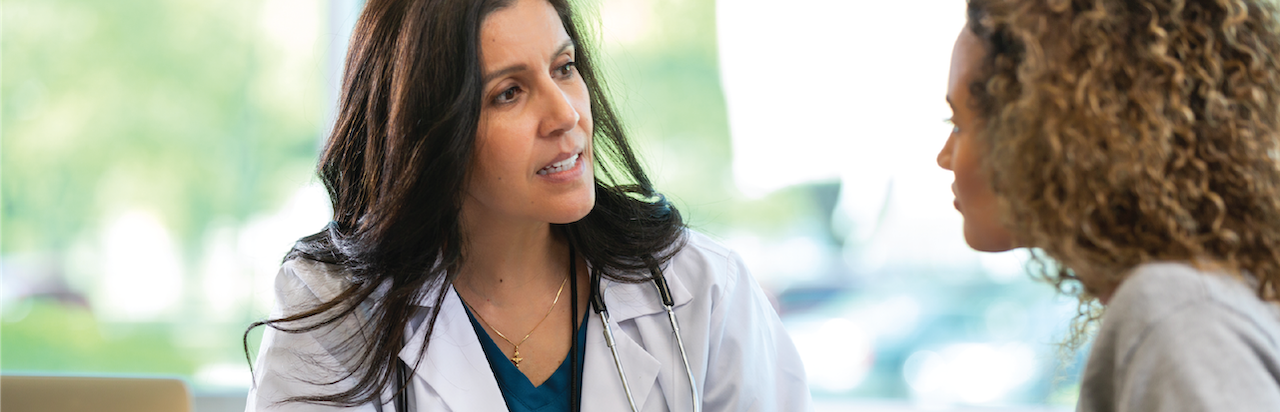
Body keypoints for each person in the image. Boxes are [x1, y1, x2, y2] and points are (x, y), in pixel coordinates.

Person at [243, 0, 812, 411]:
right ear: (427, 131)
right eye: (508, 93)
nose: (566, 114)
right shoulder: (336, 308)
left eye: (564, 68)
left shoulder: (702, 288)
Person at [937, 0, 1280, 410]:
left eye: (958, 124)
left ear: (1054, 129)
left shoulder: (1177, 309)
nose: (944, 156)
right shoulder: (1209, 295)